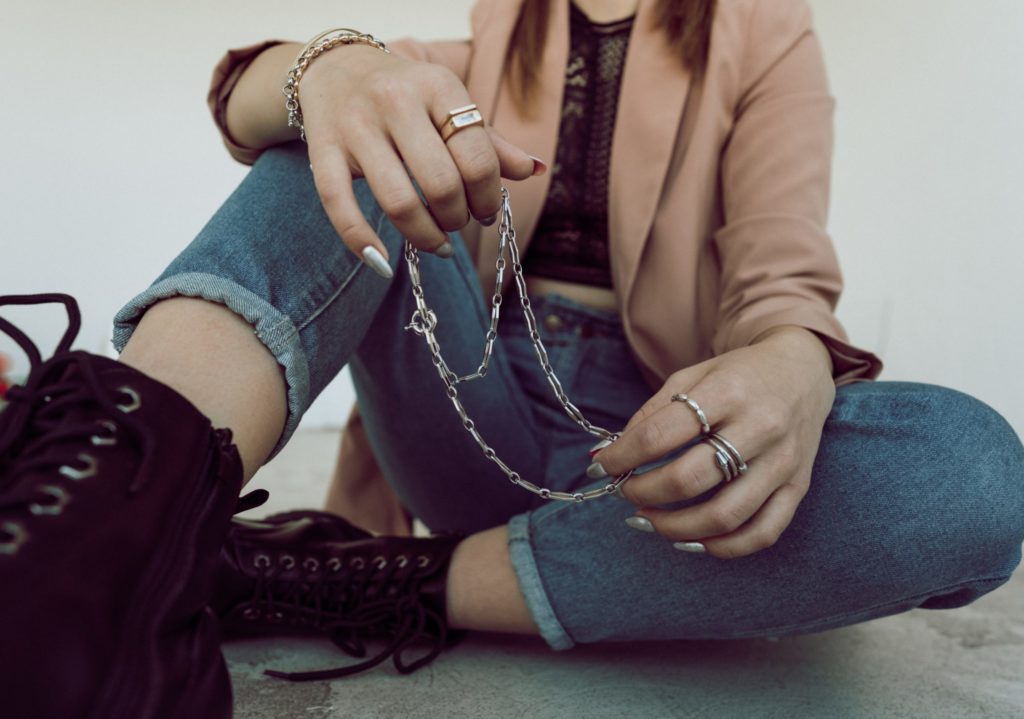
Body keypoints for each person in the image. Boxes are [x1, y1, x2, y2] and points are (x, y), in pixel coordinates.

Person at [1, 0, 1021, 716]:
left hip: (656, 437)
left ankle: (368, 579)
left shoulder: (763, 29)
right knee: (350, 135)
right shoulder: (491, 33)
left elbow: (779, 260)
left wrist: (795, 359)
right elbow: (242, 101)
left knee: (968, 469)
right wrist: (334, 67)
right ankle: (96, 538)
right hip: (471, 396)